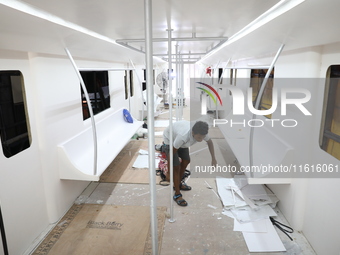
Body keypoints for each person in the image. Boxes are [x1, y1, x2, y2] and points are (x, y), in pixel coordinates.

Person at [163, 120, 217, 206]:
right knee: (176, 167)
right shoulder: (183, 136)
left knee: (186, 161)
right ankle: (177, 194)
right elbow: (171, 154)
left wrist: (213, 158)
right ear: (193, 133)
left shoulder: (202, 132)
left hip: (182, 142)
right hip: (170, 140)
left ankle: (178, 183)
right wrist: (169, 172)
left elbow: (210, 142)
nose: (201, 140)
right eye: (199, 138)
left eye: (203, 137)